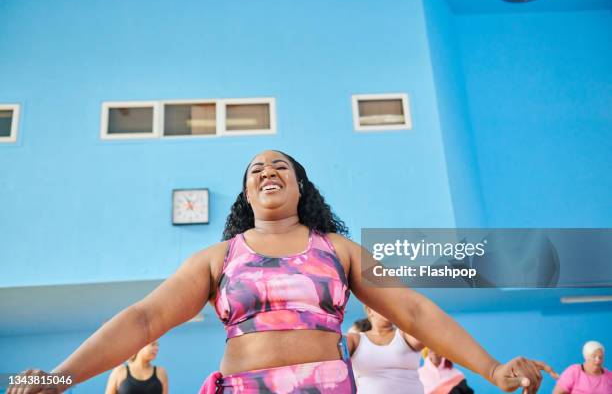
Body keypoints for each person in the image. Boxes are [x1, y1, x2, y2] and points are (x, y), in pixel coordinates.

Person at [9, 150, 558, 394]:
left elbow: (413, 309)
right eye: (256, 170)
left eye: (281, 168)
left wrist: (492, 369)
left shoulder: (338, 248)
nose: (268, 172)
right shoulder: (217, 258)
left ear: (300, 187)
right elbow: (145, 318)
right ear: (247, 194)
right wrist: (60, 377)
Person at [348, 306, 425, 393]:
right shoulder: (355, 339)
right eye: (382, 304)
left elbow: (424, 337)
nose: (388, 307)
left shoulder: (405, 336)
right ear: (369, 310)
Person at [104, 341, 168, 394]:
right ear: (139, 346)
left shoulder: (161, 373)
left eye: (157, 345)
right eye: (153, 344)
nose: (157, 348)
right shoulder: (120, 371)